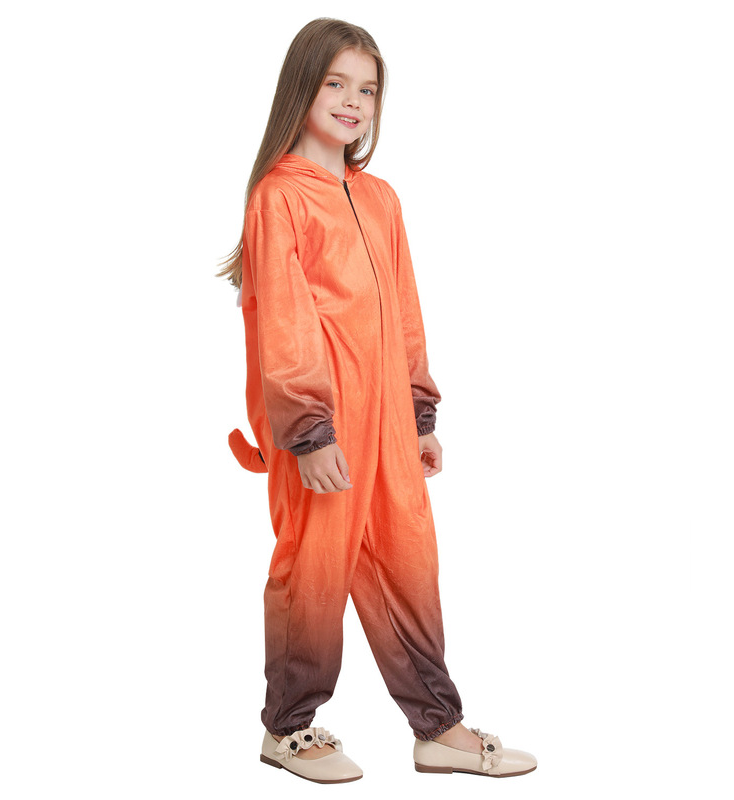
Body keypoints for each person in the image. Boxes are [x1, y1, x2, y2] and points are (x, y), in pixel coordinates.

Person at [220, 17, 537, 784]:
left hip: (389, 424)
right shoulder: (279, 197)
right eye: (336, 83)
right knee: (314, 570)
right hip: (322, 430)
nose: (352, 101)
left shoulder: (381, 198)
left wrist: (419, 413)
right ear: (302, 88)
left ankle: (438, 729)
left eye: (367, 89)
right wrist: (309, 431)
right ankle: (287, 729)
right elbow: (285, 326)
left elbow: (404, 310)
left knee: (408, 562)